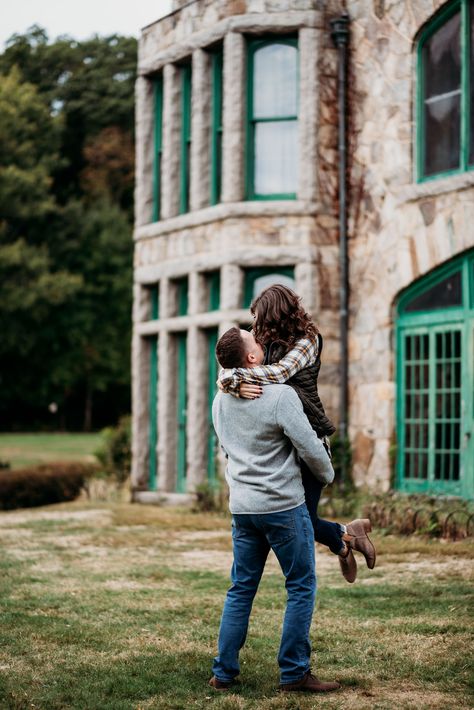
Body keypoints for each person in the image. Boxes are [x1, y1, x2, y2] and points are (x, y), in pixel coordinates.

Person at [209, 326, 341, 694]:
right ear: (251, 357)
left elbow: (227, 451)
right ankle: (294, 673)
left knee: (241, 588)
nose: (261, 340)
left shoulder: (220, 399)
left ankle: (223, 673)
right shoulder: (281, 395)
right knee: (300, 586)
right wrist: (327, 475)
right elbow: (311, 447)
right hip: (283, 507)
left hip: (243, 509)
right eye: (255, 340)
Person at [218, 284, 376, 583]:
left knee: (300, 518)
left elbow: (278, 374)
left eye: (263, 319)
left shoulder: (308, 340)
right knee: (294, 518)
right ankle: (346, 537)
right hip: (279, 438)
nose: (258, 326)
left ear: (277, 314)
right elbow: (232, 363)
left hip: (307, 433)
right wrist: (230, 378)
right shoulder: (262, 336)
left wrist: (232, 377)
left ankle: (345, 539)